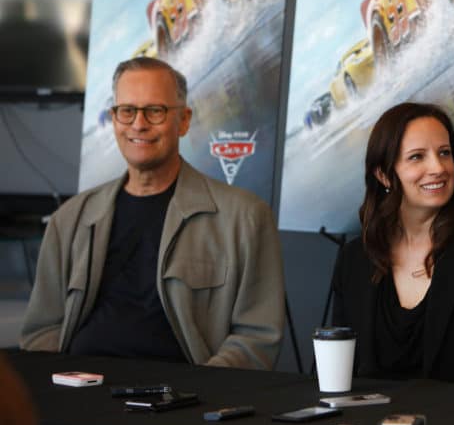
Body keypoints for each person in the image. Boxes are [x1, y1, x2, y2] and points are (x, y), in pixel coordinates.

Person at [20, 57, 285, 369]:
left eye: (155, 111)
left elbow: (257, 338)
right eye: (127, 111)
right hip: (78, 394)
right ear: (114, 119)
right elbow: (40, 331)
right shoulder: (70, 220)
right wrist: (59, 383)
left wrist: (203, 392)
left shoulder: (245, 219)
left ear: (184, 121)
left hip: (182, 403)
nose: (138, 124)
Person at [330, 102, 454, 387]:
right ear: (384, 175)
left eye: (444, 153)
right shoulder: (354, 258)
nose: (437, 168)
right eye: (417, 157)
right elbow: (332, 372)